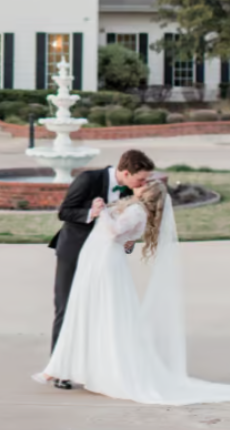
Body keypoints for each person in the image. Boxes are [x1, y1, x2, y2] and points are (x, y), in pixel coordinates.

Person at [33, 181, 230, 405]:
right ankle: (72, 367)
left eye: (144, 185)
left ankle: (88, 370)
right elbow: (126, 241)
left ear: (148, 194)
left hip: (104, 267)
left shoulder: (136, 211)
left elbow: (114, 233)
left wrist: (101, 212)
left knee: (104, 316)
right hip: (102, 263)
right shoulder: (137, 211)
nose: (139, 185)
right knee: (97, 315)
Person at [47, 150, 155, 390]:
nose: (144, 184)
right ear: (126, 173)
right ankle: (60, 370)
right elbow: (65, 211)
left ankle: (93, 367)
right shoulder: (89, 180)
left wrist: (125, 245)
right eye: (140, 180)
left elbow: (124, 228)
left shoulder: (130, 190)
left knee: (99, 310)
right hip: (75, 251)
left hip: (104, 258)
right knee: (66, 306)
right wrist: (92, 213)